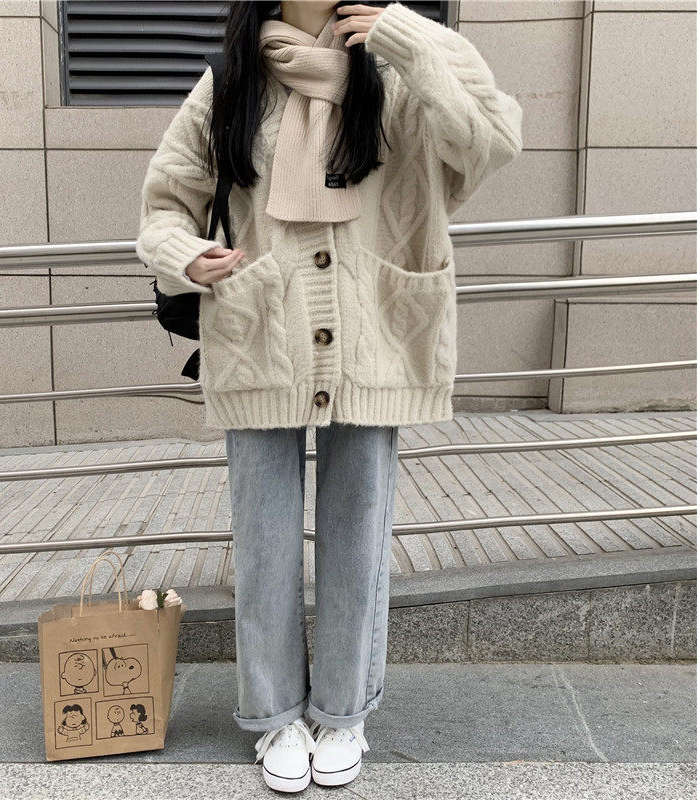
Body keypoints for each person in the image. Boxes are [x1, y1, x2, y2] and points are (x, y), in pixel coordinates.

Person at [137, 1, 522, 791]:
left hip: (375, 335)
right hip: (260, 334)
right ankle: (274, 715)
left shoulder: (404, 66)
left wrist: (409, 36)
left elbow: (490, 141)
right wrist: (186, 254)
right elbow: (165, 202)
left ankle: (344, 713)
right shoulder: (233, 80)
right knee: (264, 543)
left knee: (358, 537)